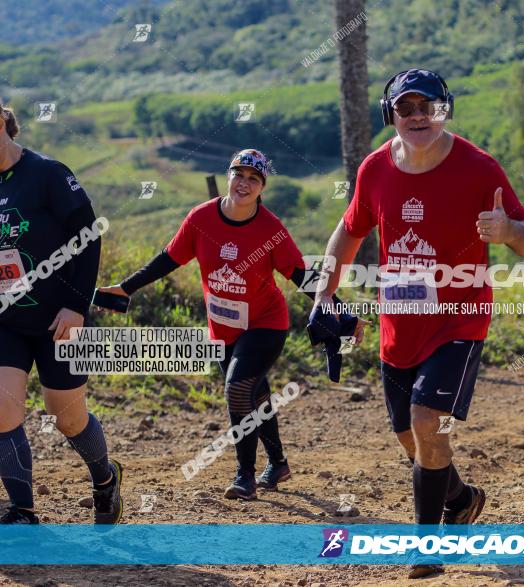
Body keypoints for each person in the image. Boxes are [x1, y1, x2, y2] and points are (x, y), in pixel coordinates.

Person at [312, 69, 524, 578]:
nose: (417, 116)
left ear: (445, 108)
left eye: (428, 106)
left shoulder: (479, 168)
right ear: (390, 114)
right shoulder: (374, 170)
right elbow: (348, 232)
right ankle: (461, 500)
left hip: (460, 319)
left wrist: (506, 231)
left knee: (425, 421)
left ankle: (427, 545)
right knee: (414, 442)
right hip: (400, 325)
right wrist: (324, 294)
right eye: (405, 107)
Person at [100, 149, 363, 499]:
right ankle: (279, 463)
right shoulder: (201, 220)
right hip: (223, 328)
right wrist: (125, 288)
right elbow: (168, 259)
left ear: (262, 187)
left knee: (237, 389)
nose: (245, 183)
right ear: (229, 176)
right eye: (239, 174)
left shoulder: (271, 229)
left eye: (254, 179)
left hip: (265, 324)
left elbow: (302, 276)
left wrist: (338, 311)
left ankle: (245, 476)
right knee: (257, 395)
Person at [0, 100, 123, 524]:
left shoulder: (48, 174)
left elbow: (88, 238)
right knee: (2, 409)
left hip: (59, 320)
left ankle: (105, 480)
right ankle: (23, 510)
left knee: (67, 416)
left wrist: (77, 305)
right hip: (7, 323)